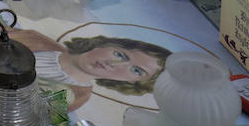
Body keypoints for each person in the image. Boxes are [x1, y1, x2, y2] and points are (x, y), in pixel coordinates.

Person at [9, 28, 171, 110]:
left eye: (136, 71)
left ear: (133, 82)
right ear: (107, 44)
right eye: (120, 54)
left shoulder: (75, 96)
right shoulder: (36, 39)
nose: (114, 64)